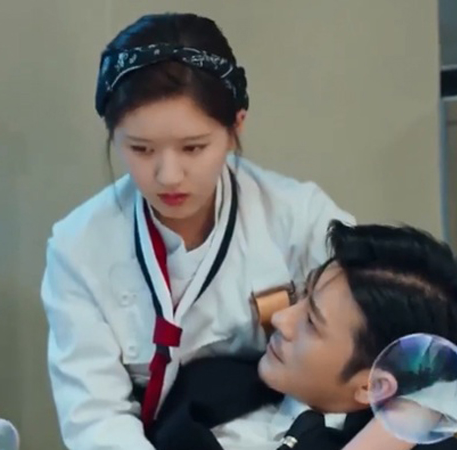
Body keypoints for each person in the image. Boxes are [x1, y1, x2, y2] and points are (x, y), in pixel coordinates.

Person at [40, 12, 401, 450]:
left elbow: (395, 349)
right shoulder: (79, 247)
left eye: (193, 147)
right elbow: (97, 418)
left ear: (235, 127)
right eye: (141, 149)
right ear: (112, 135)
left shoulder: (298, 217)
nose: (168, 175)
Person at [141, 221, 457, 450]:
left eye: (311, 322)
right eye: (304, 294)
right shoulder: (209, 382)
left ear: (374, 385)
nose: (281, 319)